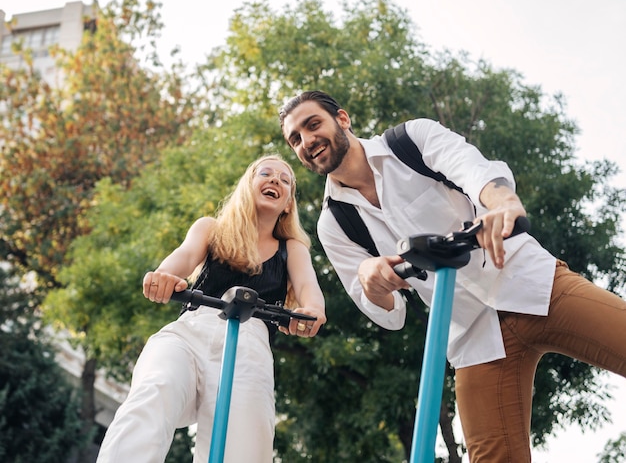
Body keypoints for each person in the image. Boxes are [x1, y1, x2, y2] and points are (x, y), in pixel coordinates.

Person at [278, 90, 626, 462]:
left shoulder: (410, 140)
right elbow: (388, 314)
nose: (307, 141)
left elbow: (474, 170)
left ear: (342, 119)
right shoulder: (335, 224)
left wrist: (503, 202)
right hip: (473, 338)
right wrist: (370, 279)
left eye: (313, 124)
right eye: (295, 139)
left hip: (531, 285)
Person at [97, 154, 326, 463]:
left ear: (288, 204)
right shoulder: (212, 229)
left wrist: (311, 310)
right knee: (155, 389)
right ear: (248, 185)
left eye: (285, 180)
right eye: (266, 174)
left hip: (250, 344)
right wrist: (164, 277)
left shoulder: (292, 250)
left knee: (246, 439)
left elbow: (309, 290)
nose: (275, 180)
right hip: (191, 332)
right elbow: (182, 257)